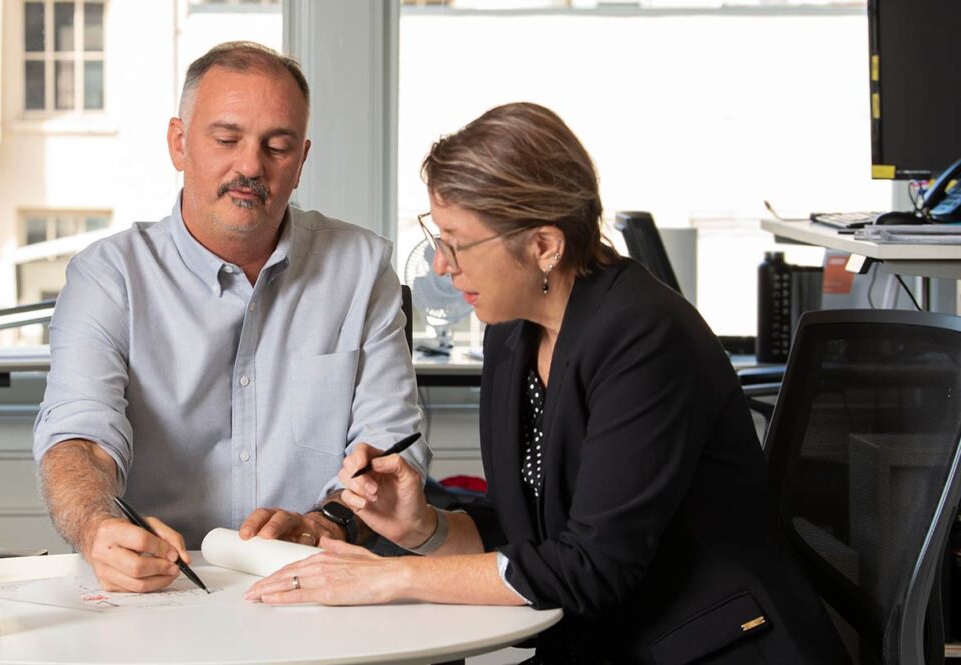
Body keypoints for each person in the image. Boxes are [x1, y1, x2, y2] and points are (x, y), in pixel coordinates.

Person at [245, 102, 847, 664]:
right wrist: (422, 528)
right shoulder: (514, 329)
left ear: (544, 245)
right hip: (609, 636)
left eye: (457, 243)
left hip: (712, 646)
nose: (441, 265)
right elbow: (528, 531)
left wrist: (389, 576)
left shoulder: (643, 338)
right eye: (438, 238)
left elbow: (590, 566)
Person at [33, 41, 427, 594]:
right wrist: (98, 526)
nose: (250, 166)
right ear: (178, 142)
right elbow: (80, 440)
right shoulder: (107, 277)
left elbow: (390, 449)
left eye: (278, 146)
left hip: (318, 584)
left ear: (302, 159)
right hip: (158, 589)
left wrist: (324, 522)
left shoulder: (361, 268)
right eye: (226, 139)